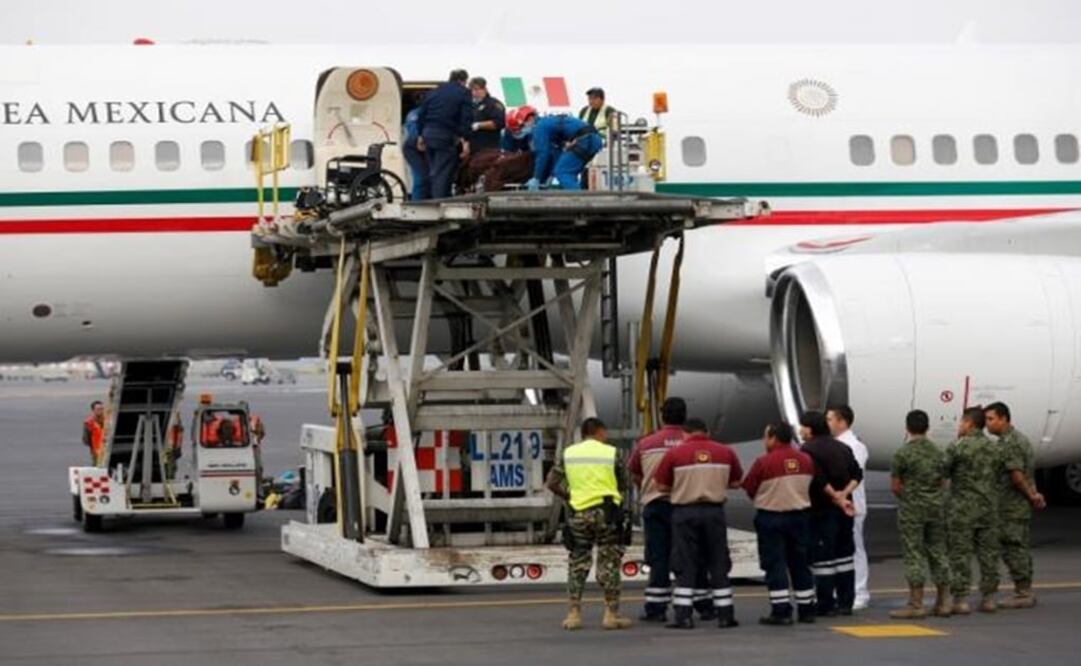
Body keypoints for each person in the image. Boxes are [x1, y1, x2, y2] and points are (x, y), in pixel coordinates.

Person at [653, 418, 744, 629]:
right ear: (707, 432)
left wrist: (683, 487)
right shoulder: (725, 452)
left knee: (685, 563)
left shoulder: (674, 454)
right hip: (714, 512)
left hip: (685, 512)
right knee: (718, 561)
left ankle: (683, 617)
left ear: (685, 434)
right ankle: (725, 615)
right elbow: (736, 482)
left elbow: (660, 486)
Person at [545, 417, 633, 631]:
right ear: (599, 432)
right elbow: (625, 483)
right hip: (607, 514)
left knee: (577, 562)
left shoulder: (569, 454)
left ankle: (573, 615)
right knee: (609, 563)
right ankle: (611, 615)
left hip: (579, 514)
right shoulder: (612, 453)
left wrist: (570, 496)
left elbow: (551, 482)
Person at [742, 423, 817, 626]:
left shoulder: (763, 462)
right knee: (800, 563)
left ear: (774, 438)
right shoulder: (806, 459)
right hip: (800, 516)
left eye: (766, 437)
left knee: (775, 565)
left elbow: (749, 487)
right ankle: (807, 609)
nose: (764, 441)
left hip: (771, 518)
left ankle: (781, 610)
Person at [627, 397, 687, 622]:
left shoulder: (646, 443)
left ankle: (656, 608)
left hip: (655, 505)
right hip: (684, 506)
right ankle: (693, 606)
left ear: (662, 416)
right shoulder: (689, 443)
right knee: (688, 557)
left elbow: (634, 472)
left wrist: (648, 487)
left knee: (658, 557)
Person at [799, 410, 863, 616]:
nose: (800, 430)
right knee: (844, 557)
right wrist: (844, 495)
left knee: (823, 560)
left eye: (802, 426)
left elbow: (818, 479)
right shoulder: (843, 447)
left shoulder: (807, 450)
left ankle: (826, 603)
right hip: (845, 510)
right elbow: (857, 474)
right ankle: (846, 602)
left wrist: (835, 497)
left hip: (821, 511)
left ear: (810, 429)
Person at [888, 409, 951, 619]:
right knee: (938, 552)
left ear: (907, 428)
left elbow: (896, 486)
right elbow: (943, 482)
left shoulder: (903, 454)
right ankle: (943, 602)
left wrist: (909, 497)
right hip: (935, 507)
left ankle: (916, 604)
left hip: (912, 509)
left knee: (914, 553)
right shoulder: (938, 452)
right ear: (928, 427)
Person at [985, 402, 1045, 609]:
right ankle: (1023, 589)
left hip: (1012, 506)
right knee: (1018, 547)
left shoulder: (1010, 443)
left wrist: (1032, 496)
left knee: (1014, 548)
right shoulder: (1016, 439)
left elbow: (1017, 475)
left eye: (991, 419)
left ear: (1003, 419)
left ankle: (1023, 592)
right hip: (1013, 504)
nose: (987, 424)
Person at [945, 406, 1001, 615]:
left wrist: (956, 440)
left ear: (969, 423)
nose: (960, 425)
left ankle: (960, 599)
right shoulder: (994, 447)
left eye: (961, 422)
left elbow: (943, 469)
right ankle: (989, 599)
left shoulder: (959, 447)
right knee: (988, 555)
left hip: (963, 509)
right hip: (988, 508)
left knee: (960, 554)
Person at [827, 405, 870, 610]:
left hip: (852, 504)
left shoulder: (855, 445)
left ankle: (860, 592)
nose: (827, 423)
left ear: (842, 422)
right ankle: (842, 590)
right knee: (840, 551)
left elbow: (853, 475)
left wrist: (840, 495)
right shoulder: (836, 444)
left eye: (830, 419)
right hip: (839, 504)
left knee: (855, 550)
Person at [508, 108, 602, 191]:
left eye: (519, 129)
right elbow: (558, 153)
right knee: (566, 172)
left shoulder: (539, 128)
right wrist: (551, 175)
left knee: (563, 172)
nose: (520, 132)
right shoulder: (548, 123)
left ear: (529, 119)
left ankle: (580, 203)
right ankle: (577, 200)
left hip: (586, 140)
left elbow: (543, 154)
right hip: (591, 140)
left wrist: (536, 178)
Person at [415, 69, 473, 199]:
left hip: (428, 134)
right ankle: (439, 203)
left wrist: (420, 135)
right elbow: (466, 118)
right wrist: (466, 141)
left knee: (434, 170)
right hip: (445, 136)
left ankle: (431, 199)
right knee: (443, 172)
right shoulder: (464, 92)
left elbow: (422, 114)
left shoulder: (434, 91)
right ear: (464, 81)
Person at [401, 100, 429, 200]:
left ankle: (421, 199)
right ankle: (416, 202)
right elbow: (414, 132)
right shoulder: (416, 114)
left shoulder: (413, 113)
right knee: (420, 176)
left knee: (422, 175)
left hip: (415, 146)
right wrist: (419, 140)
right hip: (414, 146)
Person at [82, 400, 105, 465]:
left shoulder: (108, 420)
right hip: (96, 452)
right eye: (98, 409)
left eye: (102, 409)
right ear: (93, 410)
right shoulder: (88, 423)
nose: (100, 411)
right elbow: (86, 440)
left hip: (109, 449)